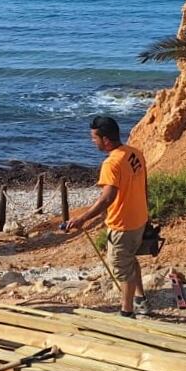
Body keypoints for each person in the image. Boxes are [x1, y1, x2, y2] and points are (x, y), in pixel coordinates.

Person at [64, 114, 149, 317]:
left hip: (123, 224)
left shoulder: (111, 164)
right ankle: (140, 299)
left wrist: (82, 219)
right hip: (139, 218)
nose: (93, 142)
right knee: (130, 259)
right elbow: (144, 185)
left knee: (122, 268)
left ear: (106, 140)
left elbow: (106, 198)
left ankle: (127, 312)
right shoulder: (134, 153)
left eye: (94, 138)